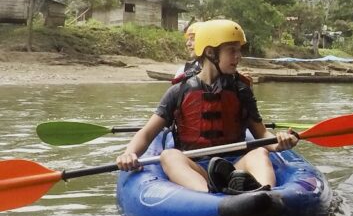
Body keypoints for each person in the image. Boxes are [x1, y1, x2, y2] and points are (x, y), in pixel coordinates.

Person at [116, 19, 298, 194]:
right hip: (196, 168)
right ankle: (208, 195)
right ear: (211, 52)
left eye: (239, 50)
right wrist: (128, 154)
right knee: (169, 156)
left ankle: (264, 194)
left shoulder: (241, 91)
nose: (238, 56)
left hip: (236, 167)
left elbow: (262, 134)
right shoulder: (178, 91)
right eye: (232, 51)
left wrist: (280, 143)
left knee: (258, 152)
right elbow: (147, 133)